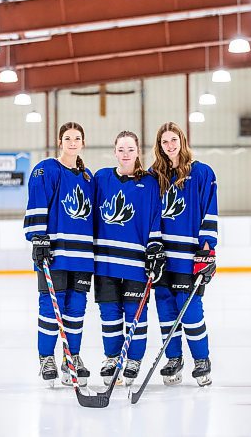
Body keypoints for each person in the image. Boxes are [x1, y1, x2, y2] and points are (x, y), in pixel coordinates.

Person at [23, 122, 94, 387]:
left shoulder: (87, 176)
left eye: (77, 138)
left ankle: (71, 357)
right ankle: (46, 357)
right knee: (51, 307)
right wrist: (38, 237)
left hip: (83, 255)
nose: (72, 142)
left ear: (83, 142)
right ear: (59, 141)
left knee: (76, 308)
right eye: (68, 138)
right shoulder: (46, 170)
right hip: (54, 253)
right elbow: (37, 203)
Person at [94, 131, 165, 386]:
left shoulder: (150, 183)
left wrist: (155, 248)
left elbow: (156, 217)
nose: (125, 154)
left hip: (137, 263)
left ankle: (133, 359)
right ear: (114, 151)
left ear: (138, 152)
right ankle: (112, 357)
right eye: (121, 149)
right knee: (110, 313)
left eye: (130, 150)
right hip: (106, 262)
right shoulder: (101, 178)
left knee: (136, 314)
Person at [151, 122, 218, 387]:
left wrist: (207, 249)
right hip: (163, 257)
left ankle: (202, 360)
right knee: (166, 311)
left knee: (190, 311)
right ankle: (174, 359)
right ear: (160, 146)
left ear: (182, 140)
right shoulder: (155, 175)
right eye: (164, 142)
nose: (170, 146)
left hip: (189, 256)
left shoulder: (202, 172)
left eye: (173, 140)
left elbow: (209, 210)